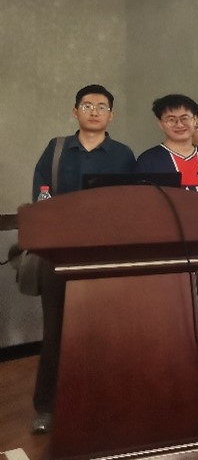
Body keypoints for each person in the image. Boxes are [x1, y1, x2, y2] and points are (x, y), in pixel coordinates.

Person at [29, 84, 135, 433]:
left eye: (101, 106)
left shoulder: (123, 155)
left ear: (111, 115)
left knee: (103, 332)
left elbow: (130, 207)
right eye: (87, 105)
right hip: (57, 254)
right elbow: (42, 199)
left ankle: (101, 402)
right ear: (75, 111)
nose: (94, 111)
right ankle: (47, 408)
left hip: (105, 257)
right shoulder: (56, 149)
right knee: (56, 332)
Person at [135, 94, 198, 386]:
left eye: (185, 118)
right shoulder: (148, 160)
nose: (179, 124)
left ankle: (193, 385)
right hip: (166, 257)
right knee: (166, 324)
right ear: (160, 124)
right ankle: (165, 385)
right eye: (171, 119)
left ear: (195, 120)